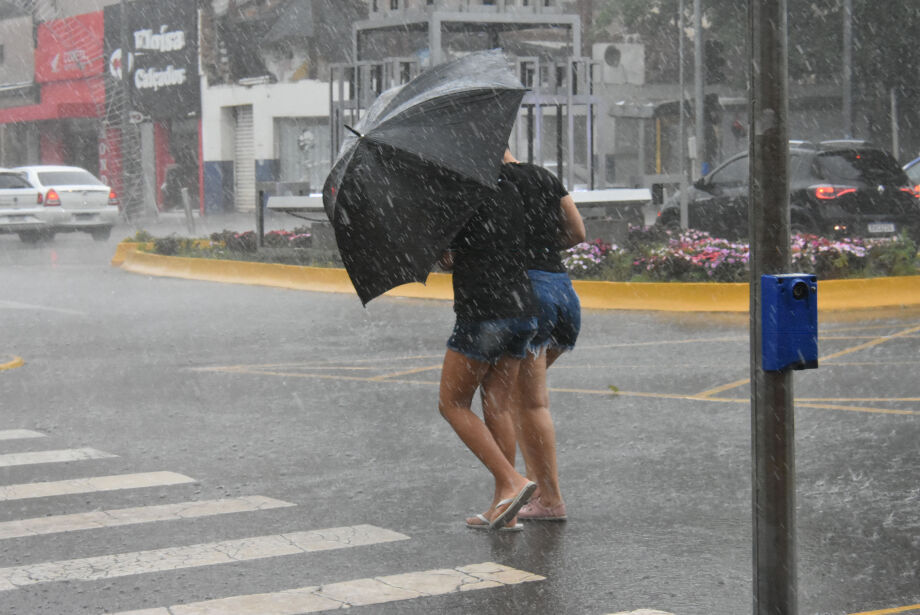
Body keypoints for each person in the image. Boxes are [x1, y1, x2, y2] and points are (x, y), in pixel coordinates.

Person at [437, 167, 538, 531]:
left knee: (452, 404)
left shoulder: (457, 194)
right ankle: (503, 507)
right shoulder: (508, 187)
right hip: (522, 308)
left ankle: (512, 481)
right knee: (497, 405)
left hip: (484, 311)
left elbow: (450, 257)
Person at [501, 148, 586, 522]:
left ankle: (550, 500)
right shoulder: (542, 176)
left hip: (529, 294)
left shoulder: (491, 185)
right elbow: (578, 232)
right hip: (561, 292)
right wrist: (543, 247)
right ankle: (537, 488)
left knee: (530, 402)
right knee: (520, 396)